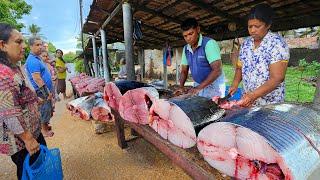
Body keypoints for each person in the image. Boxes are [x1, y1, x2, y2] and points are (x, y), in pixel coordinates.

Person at [0, 23, 47, 180]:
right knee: (29, 171)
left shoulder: (15, 66)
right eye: (18, 42)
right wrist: (28, 138)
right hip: (21, 140)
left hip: (31, 132)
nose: (24, 45)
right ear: (2, 45)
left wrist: (35, 100)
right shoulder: (2, 74)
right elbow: (9, 113)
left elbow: (21, 93)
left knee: (38, 166)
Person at [229, 3, 290, 107]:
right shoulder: (246, 44)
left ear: (268, 25)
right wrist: (235, 84)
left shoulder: (277, 43)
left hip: (269, 104)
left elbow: (277, 78)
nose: (252, 30)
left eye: (257, 26)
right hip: (248, 100)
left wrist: (253, 95)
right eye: (250, 26)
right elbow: (240, 68)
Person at [175, 18, 225, 99]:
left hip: (214, 86)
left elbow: (217, 70)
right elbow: (184, 71)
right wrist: (181, 87)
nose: (188, 38)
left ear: (198, 29)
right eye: (185, 36)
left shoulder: (209, 44)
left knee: (213, 109)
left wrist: (198, 88)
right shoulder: (186, 49)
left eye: (191, 34)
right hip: (198, 85)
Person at [25, 36, 54, 137]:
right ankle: (45, 131)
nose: (40, 47)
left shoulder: (38, 58)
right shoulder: (32, 60)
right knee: (44, 110)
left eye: (41, 44)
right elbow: (37, 78)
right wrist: (47, 93)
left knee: (47, 109)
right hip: (41, 92)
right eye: (37, 45)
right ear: (31, 46)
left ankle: (45, 125)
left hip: (44, 90)